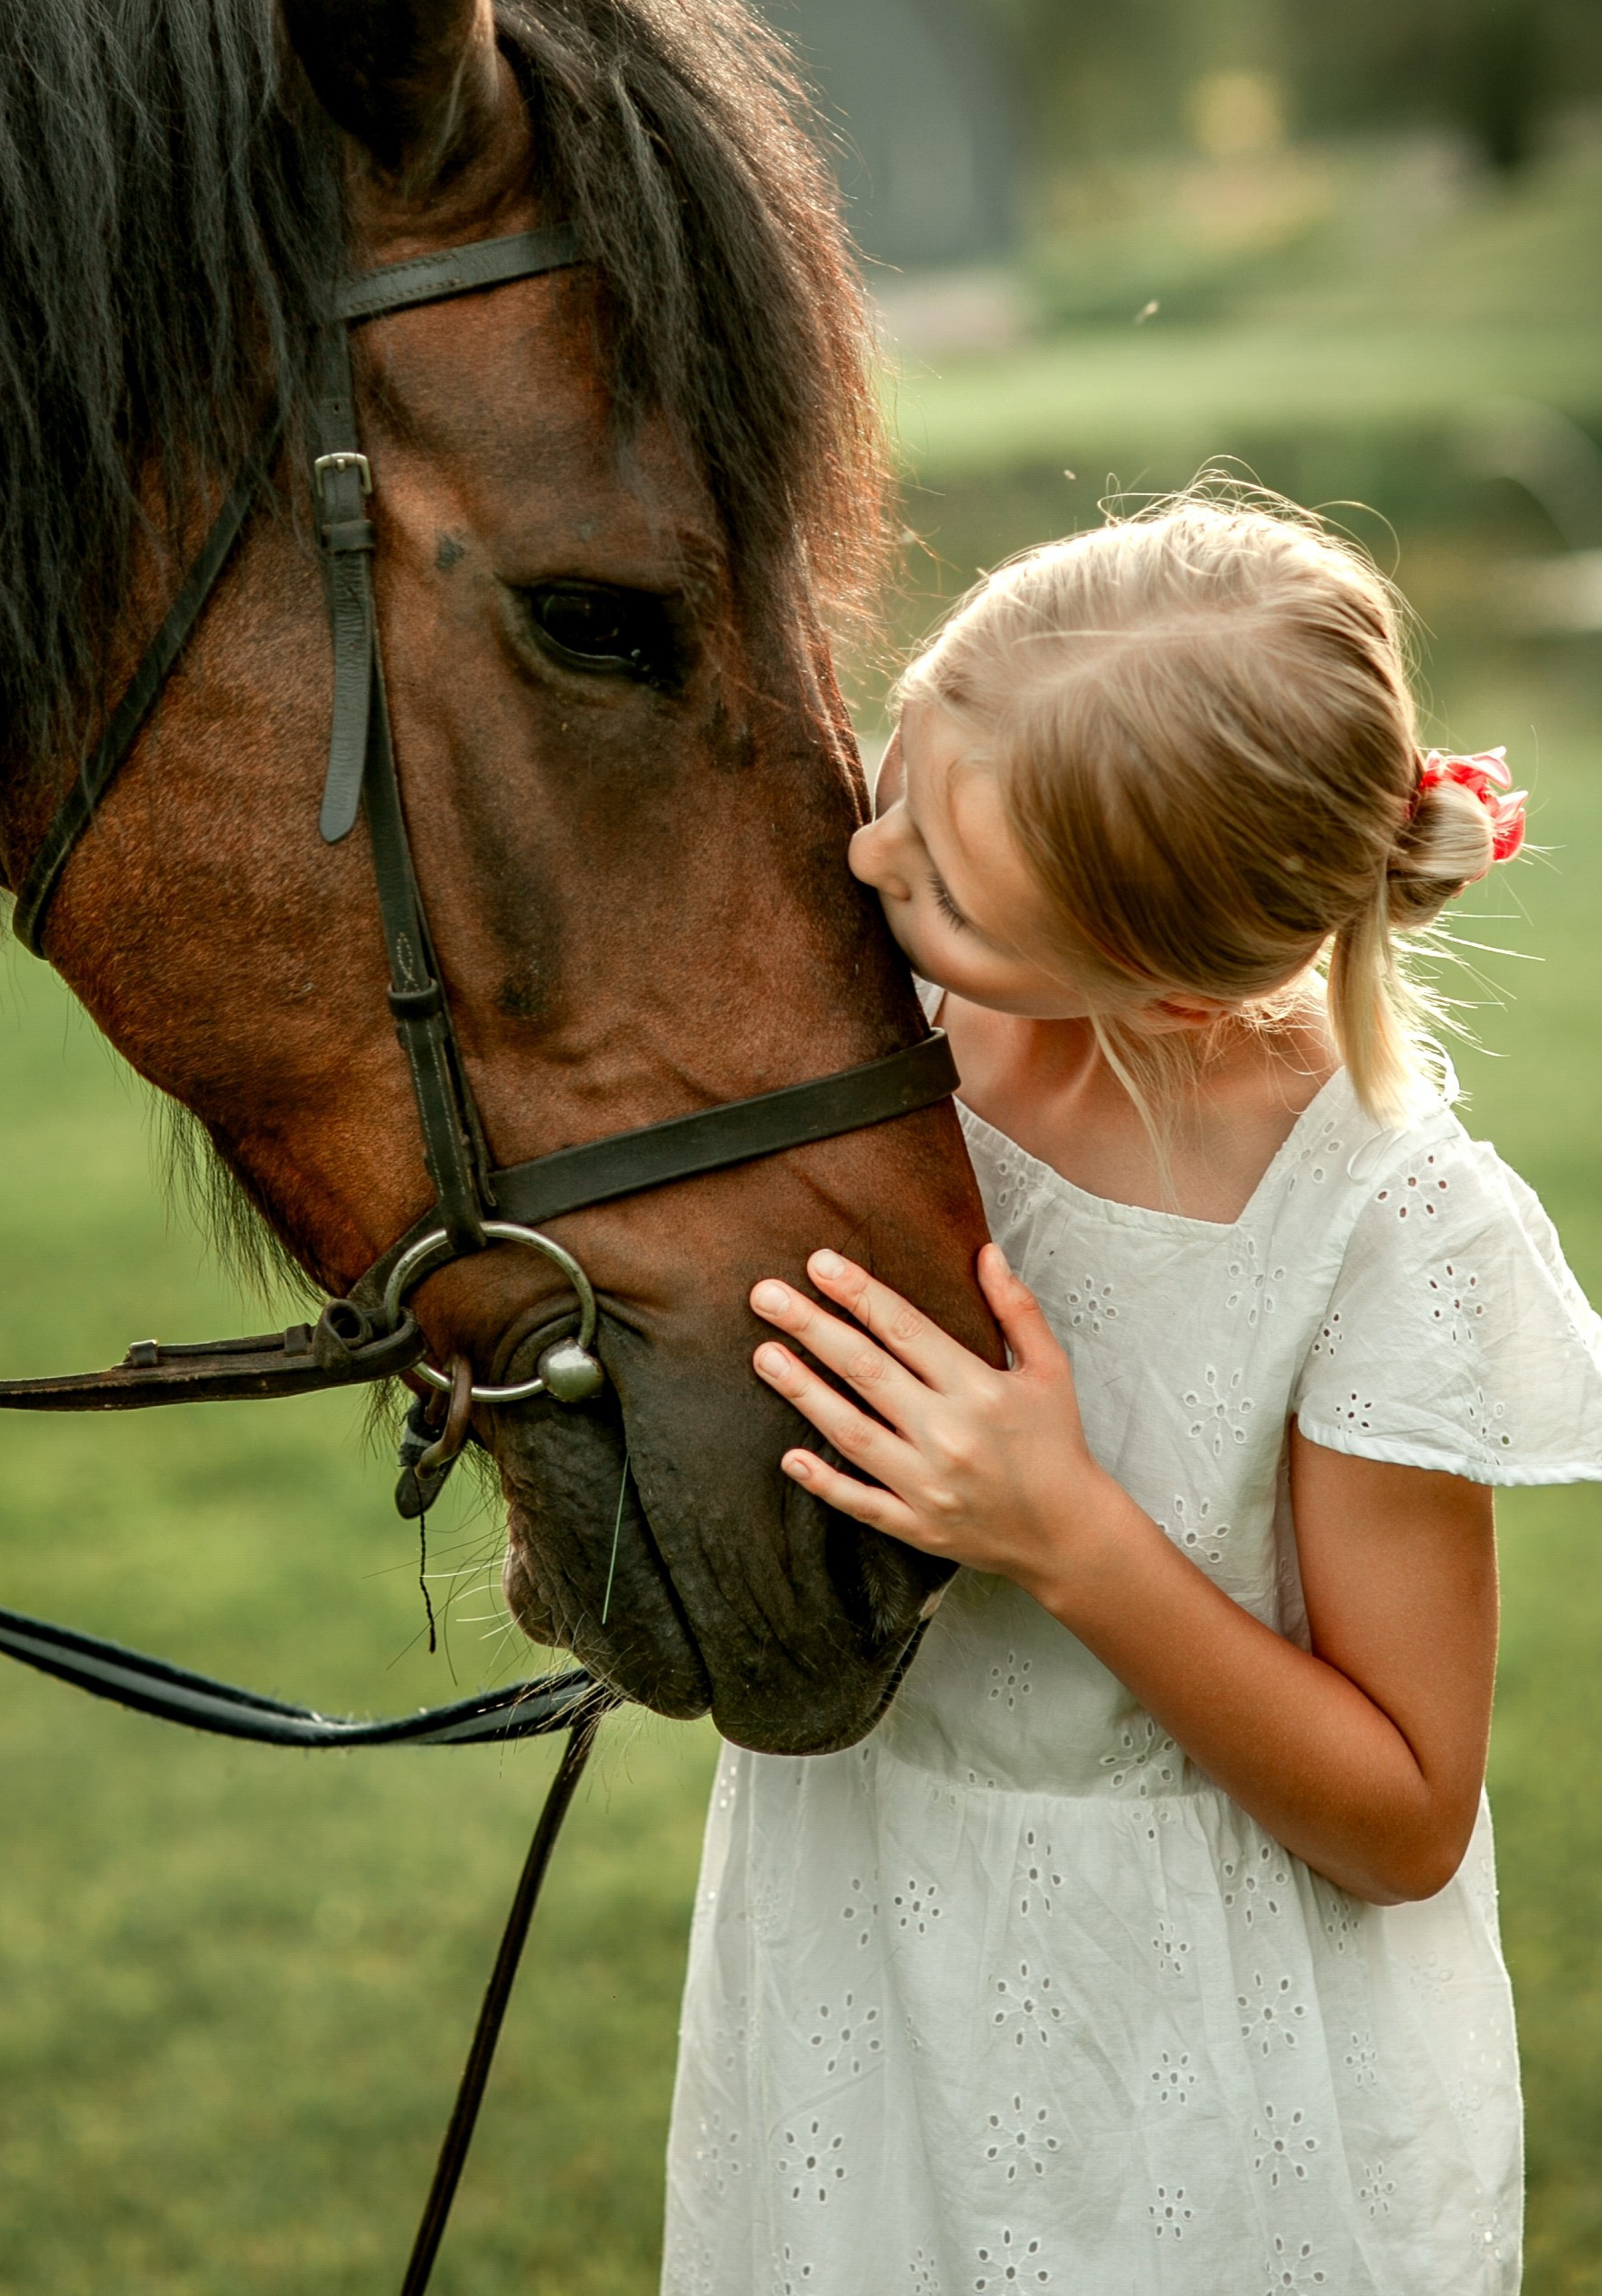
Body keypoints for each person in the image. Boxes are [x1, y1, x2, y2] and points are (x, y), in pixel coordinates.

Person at [661, 493, 1602, 2296]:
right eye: (898, 775)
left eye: (947, 889)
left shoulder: (1375, 1219)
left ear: (1168, 995)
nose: (862, 862)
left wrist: (1069, 1537)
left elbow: (1405, 1817)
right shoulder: (884, 1029)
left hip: (1211, 2047)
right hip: (868, 1934)